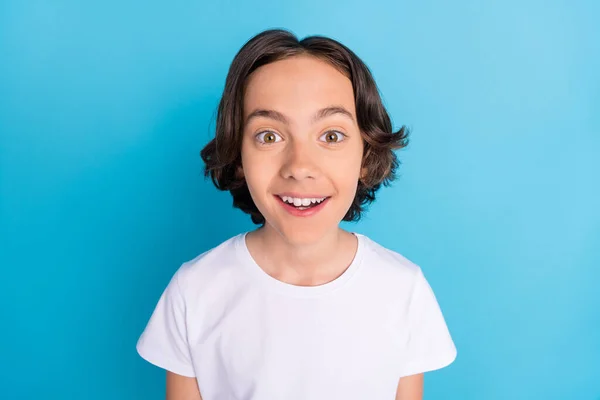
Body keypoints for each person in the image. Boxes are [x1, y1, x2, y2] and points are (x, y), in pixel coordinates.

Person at [136, 28, 457, 400]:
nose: (300, 166)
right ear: (238, 157)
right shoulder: (195, 291)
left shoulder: (403, 289)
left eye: (331, 136)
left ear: (366, 158)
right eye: (269, 136)